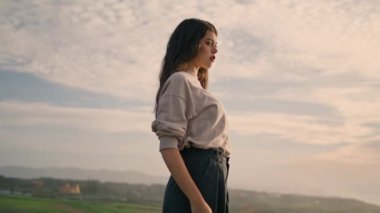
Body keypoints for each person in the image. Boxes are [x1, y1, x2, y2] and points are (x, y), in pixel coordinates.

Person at [152, 18, 230, 213]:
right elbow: (168, 147)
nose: (215, 50)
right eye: (208, 43)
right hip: (197, 180)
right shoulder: (179, 80)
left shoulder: (195, 85)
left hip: (214, 178)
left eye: (215, 44)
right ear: (190, 42)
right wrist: (196, 200)